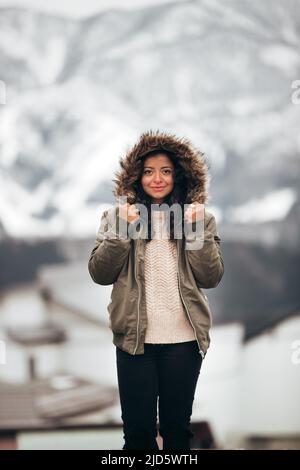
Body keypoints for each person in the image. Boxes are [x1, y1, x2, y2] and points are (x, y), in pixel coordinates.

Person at [88, 129, 224, 450]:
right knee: (138, 437)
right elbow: (100, 272)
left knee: (177, 434)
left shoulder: (200, 219)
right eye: (149, 171)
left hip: (184, 342)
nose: (157, 179)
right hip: (135, 343)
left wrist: (194, 232)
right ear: (136, 177)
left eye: (166, 171)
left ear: (179, 176)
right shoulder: (115, 217)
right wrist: (121, 228)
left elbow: (211, 276)